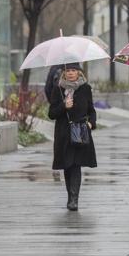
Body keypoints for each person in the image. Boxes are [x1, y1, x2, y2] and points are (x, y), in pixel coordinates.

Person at [48, 63, 97, 211]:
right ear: (64, 73)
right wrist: (64, 106)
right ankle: (71, 196)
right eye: (67, 70)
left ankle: (74, 199)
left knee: (76, 165)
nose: (70, 73)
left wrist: (91, 124)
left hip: (80, 131)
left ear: (79, 73)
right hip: (63, 133)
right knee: (67, 165)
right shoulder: (58, 89)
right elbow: (51, 114)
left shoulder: (85, 88)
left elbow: (91, 110)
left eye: (73, 70)